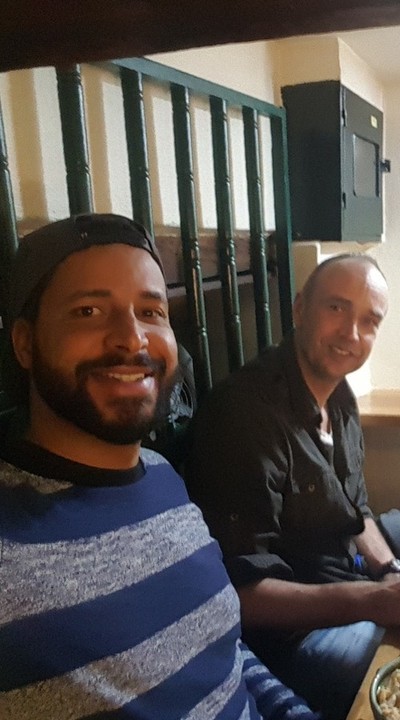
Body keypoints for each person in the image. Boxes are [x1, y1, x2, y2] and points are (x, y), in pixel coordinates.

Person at [0, 213, 318, 719]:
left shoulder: (162, 475)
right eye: (87, 311)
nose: (132, 339)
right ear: (25, 343)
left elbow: (223, 652)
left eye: (151, 312)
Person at [183, 253, 400, 719]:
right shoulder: (245, 416)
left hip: (356, 590)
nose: (351, 334)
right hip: (289, 642)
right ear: (301, 309)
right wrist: (378, 601)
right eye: (336, 309)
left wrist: (393, 575)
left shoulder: (339, 398)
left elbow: (356, 514)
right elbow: (243, 595)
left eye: (369, 321)